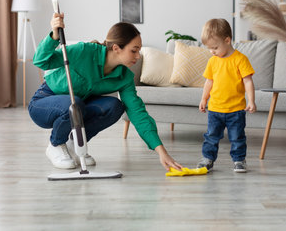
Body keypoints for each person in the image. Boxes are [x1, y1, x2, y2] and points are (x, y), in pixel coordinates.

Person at [29, 13, 182, 171]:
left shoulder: (124, 77)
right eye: (134, 51)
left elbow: (138, 112)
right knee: (75, 103)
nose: (138, 56)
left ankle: (75, 144)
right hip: (45, 102)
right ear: (116, 48)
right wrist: (54, 35)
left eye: (139, 51)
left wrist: (161, 151)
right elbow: (41, 60)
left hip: (77, 107)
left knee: (114, 106)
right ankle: (55, 144)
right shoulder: (84, 51)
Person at [196, 19, 256, 173]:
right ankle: (207, 159)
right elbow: (209, 82)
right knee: (211, 136)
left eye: (215, 47)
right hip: (215, 109)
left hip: (235, 110)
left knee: (237, 137)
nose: (212, 51)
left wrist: (251, 101)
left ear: (227, 40)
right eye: (209, 48)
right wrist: (204, 99)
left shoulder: (240, 59)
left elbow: (248, 81)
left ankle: (239, 160)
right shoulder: (212, 61)